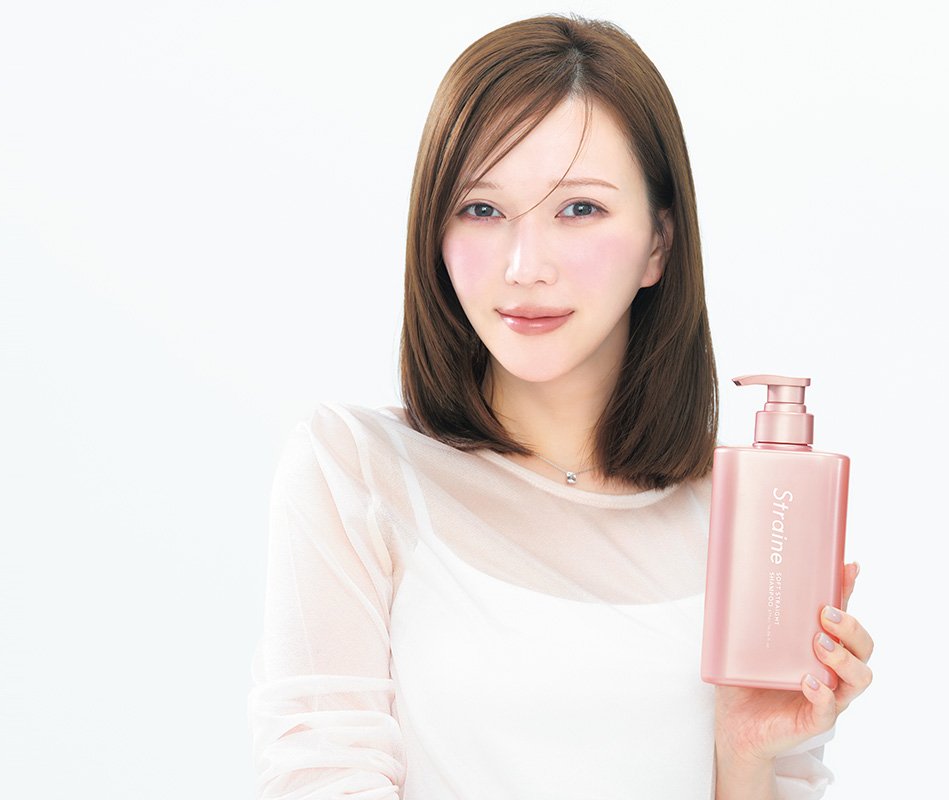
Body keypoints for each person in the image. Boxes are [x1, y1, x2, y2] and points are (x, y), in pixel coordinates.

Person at [248, 13, 874, 800]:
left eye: (579, 208)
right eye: (481, 209)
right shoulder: (356, 471)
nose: (525, 265)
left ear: (659, 243)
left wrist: (745, 760)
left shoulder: (747, 515)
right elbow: (319, 778)